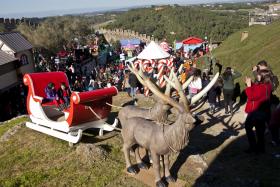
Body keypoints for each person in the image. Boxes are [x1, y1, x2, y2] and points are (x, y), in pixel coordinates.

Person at [244, 69, 272, 154]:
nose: (257, 76)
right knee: (260, 130)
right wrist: (251, 83)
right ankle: (261, 148)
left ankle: (253, 147)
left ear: (264, 77)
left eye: (259, 75)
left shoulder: (261, 87)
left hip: (256, 111)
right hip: (264, 112)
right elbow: (257, 89)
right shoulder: (268, 85)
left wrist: (249, 86)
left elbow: (252, 96)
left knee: (248, 126)